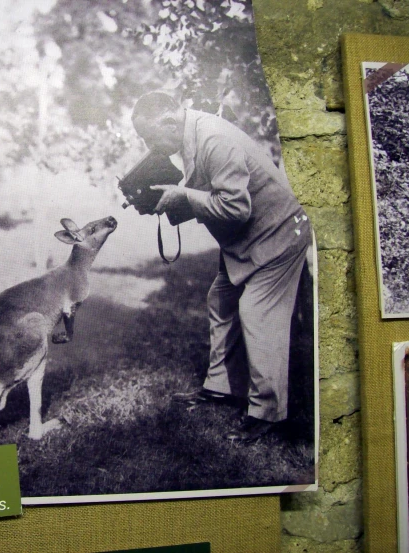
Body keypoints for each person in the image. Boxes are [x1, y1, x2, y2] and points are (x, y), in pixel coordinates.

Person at [131, 91, 312, 443]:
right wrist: (165, 202)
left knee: (258, 313)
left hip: (278, 233)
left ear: (169, 119)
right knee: (222, 302)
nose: (148, 144)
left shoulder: (214, 138)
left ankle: (267, 413)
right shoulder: (190, 136)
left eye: (149, 135)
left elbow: (235, 208)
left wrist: (183, 196)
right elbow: (210, 195)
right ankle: (223, 388)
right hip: (247, 239)